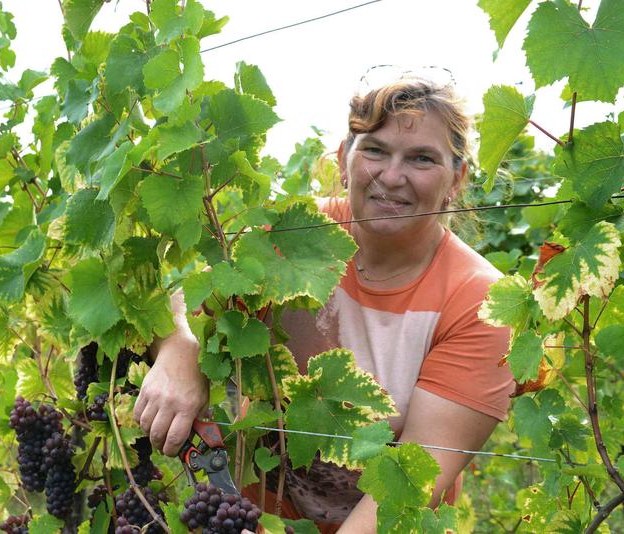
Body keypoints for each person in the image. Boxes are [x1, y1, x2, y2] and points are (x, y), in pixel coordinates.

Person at [134, 77, 515, 533]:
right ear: (343, 159)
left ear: (457, 178)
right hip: (252, 520)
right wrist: (180, 349)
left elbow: (411, 482)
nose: (392, 176)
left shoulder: (479, 302)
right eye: (375, 150)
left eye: (421, 158)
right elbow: (172, 295)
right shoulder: (291, 238)